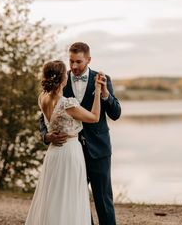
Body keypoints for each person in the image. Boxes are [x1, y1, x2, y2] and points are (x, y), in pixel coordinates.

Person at [40, 42, 121, 225]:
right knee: (75, 201)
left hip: (98, 150)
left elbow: (115, 114)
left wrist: (105, 94)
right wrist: (46, 136)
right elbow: (44, 117)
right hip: (71, 153)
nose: (74, 66)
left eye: (78, 62)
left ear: (88, 60)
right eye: (71, 61)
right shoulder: (61, 80)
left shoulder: (102, 79)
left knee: (103, 200)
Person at [25, 60, 105, 225]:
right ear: (63, 79)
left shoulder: (43, 98)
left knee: (52, 197)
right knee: (69, 196)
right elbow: (95, 117)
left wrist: (47, 136)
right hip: (70, 152)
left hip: (54, 153)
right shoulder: (67, 104)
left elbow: (45, 122)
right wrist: (97, 91)